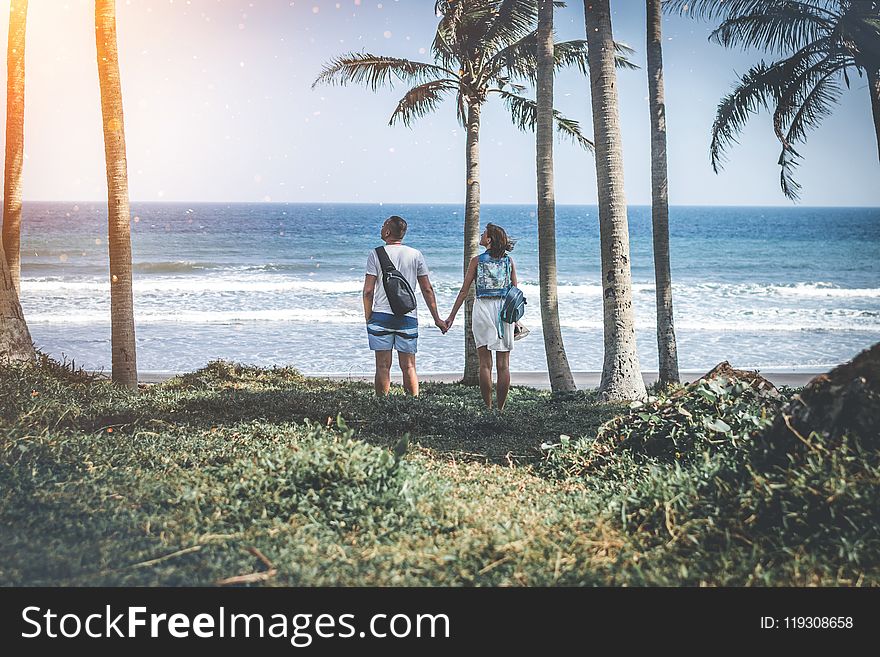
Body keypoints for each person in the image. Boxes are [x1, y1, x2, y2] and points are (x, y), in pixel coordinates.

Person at [363, 215, 447, 396]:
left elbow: (368, 291)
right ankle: (412, 408)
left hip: (381, 316)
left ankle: (382, 407)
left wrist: (368, 316)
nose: (381, 227)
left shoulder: (375, 254)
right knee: (409, 366)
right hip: (408, 317)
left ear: (387, 231)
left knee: (382, 366)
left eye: (384, 224)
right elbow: (427, 289)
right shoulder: (416, 254)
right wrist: (437, 319)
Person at [445, 223, 517, 411]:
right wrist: (516, 320)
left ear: (489, 240)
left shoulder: (477, 261)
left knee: (485, 364)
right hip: (504, 312)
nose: (481, 235)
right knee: (504, 365)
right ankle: (500, 409)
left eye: (484, 234)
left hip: (483, 309)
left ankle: (488, 408)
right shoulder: (509, 262)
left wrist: (451, 316)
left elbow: (463, 291)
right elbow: (515, 292)